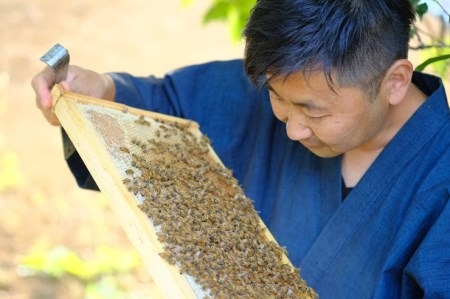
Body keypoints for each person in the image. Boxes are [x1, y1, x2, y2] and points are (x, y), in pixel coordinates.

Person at [32, 0, 449, 298]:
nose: (293, 129)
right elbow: (164, 116)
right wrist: (103, 92)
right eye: (278, 100)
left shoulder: (440, 181)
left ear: (394, 81)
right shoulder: (291, 79)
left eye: (313, 111)